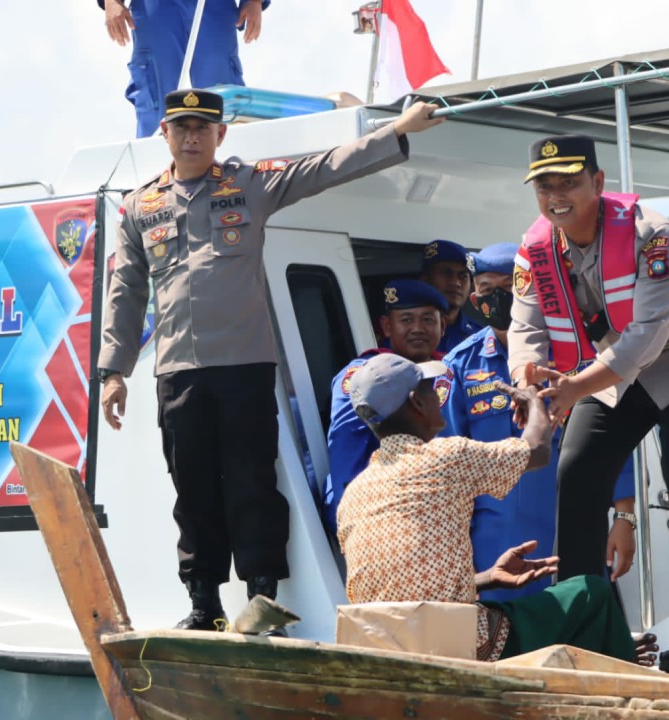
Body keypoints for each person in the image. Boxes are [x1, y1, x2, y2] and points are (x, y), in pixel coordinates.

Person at [97, 88, 443, 632]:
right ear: (164, 132)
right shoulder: (141, 206)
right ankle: (204, 602)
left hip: (245, 367)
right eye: (182, 127)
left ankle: (263, 599)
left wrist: (396, 131)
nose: (192, 137)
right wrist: (114, 371)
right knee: (192, 489)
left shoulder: (249, 185)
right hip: (179, 371)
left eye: (202, 128)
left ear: (220, 135)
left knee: (251, 483)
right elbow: (126, 290)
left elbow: (324, 167)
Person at [507, 134, 669, 675]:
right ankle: (587, 626)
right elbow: (525, 328)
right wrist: (528, 381)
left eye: (569, 181)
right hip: (607, 369)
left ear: (598, 183)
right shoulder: (534, 248)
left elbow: (648, 337)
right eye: (545, 185)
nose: (557, 195)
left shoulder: (652, 233)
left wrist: (571, 389)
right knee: (578, 469)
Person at [336, 353, 656, 664]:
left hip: (386, 649)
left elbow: (402, 587)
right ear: (417, 403)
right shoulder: (446, 457)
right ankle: (623, 687)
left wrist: (487, 578)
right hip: (460, 645)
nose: (438, 395)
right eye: (429, 388)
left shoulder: (353, 495)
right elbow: (538, 451)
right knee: (591, 594)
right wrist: (534, 403)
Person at [441, 243, 638, 602]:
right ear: (474, 295)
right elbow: (448, 462)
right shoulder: (460, 365)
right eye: (487, 289)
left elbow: (613, 441)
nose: (497, 298)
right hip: (494, 542)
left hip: (574, 527)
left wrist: (625, 519)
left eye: (507, 287)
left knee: (580, 631)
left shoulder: (576, 356)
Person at [324, 278, 449, 538]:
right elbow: (347, 457)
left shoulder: (455, 369)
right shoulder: (366, 376)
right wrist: (356, 530)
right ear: (386, 326)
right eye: (406, 319)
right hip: (386, 521)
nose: (417, 328)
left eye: (427, 319)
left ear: (442, 325)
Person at [100, 0, 268, 138]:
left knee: (222, 92)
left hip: (213, 6)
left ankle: (231, 164)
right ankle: (153, 163)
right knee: (155, 90)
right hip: (156, 7)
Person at [418, 239, 484, 354]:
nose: (455, 282)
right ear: (425, 281)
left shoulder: (481, 335)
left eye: (463, 276)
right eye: (445, 273)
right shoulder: (407, 334)